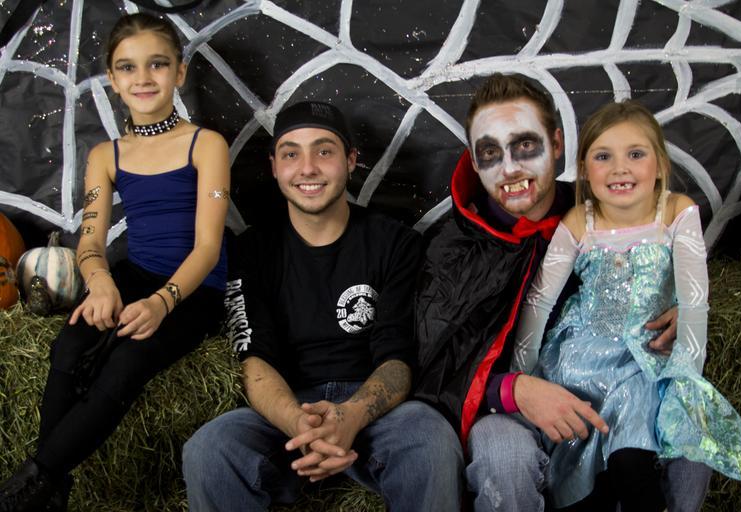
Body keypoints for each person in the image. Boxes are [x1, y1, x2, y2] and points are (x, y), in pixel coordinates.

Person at [415, 74, 714, 511]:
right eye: (490, 153)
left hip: (625, 381)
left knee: (692, 430)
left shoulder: (599, 208)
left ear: (556, 144)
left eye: (525, 145)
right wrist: (514, 389)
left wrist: (675, 304)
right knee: (504, 454)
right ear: (474, 163)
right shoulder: (453, 249)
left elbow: (667, 267)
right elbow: (435, 367)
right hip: (509, 407)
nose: (510, 169)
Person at [181, 101, 463, 512]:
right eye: (291, 154)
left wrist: (350, 417)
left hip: (374, 412)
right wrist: (299, 423)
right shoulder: (251, 251)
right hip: (285, 409)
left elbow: (397, 359)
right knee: (209, 450)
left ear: (350, 160)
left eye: (324, 151)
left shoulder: (396, 243)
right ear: (274, 166)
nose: (308, 168)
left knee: (431, 439)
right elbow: (254, 360)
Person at [0, 13, 230, 512]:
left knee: (126, 361)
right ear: (112, 78)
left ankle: (32, 485)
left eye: (157, 64)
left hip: (194, 288)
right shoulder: (107, 155)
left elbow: (208, 247)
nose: (143, 78)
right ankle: (50, 490)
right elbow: (89, 240)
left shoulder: (205, 144)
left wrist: (162, 303)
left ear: (180, 72)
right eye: (128, 67)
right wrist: (101, 282)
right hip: (135, 273)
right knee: (69, 346)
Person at [511, 100, 741, 511]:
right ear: (584, 169)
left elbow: (694, 301)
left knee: (632, 455)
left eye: (635, 154)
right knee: (586, 463)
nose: (619, 169)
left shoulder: (676, 212)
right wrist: (520, 375)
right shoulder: (579, 221)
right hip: (582, 358)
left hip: (642, 358)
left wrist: (686, 380)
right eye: (603, 157)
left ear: (660, 165)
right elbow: (539, 301)